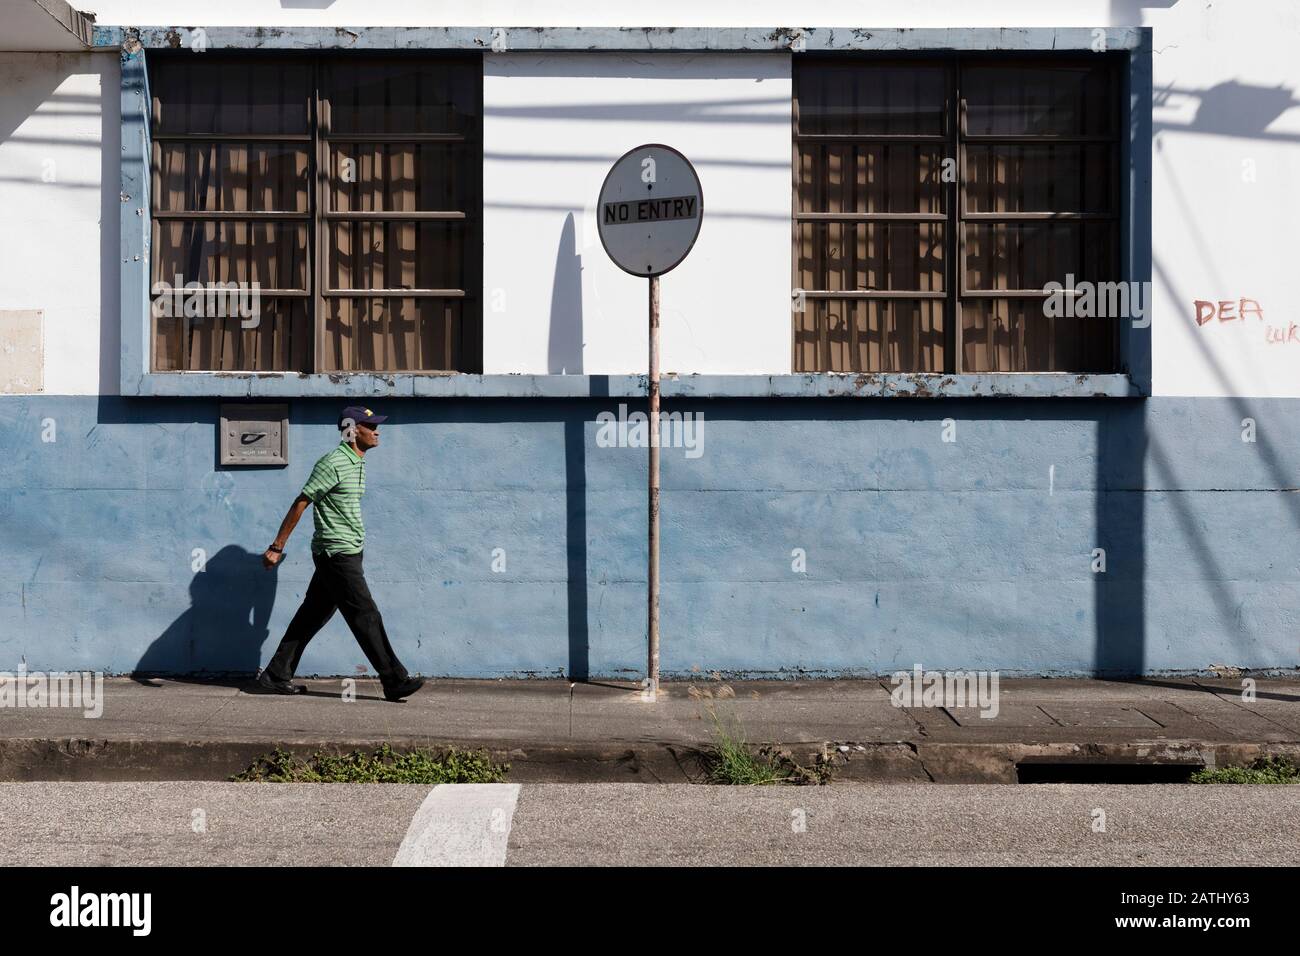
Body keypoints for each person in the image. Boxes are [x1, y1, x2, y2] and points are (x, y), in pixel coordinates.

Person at [254, 406, 424, 703]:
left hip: (347, 551)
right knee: (365, 614)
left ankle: (276, 674)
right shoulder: (333, 462)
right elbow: (302, 501)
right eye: (370, 426)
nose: (377, 431)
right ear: (351, 429)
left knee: (312, 615)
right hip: (337, 553)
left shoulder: (356, 461)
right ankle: (394, 679)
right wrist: (277, 546)